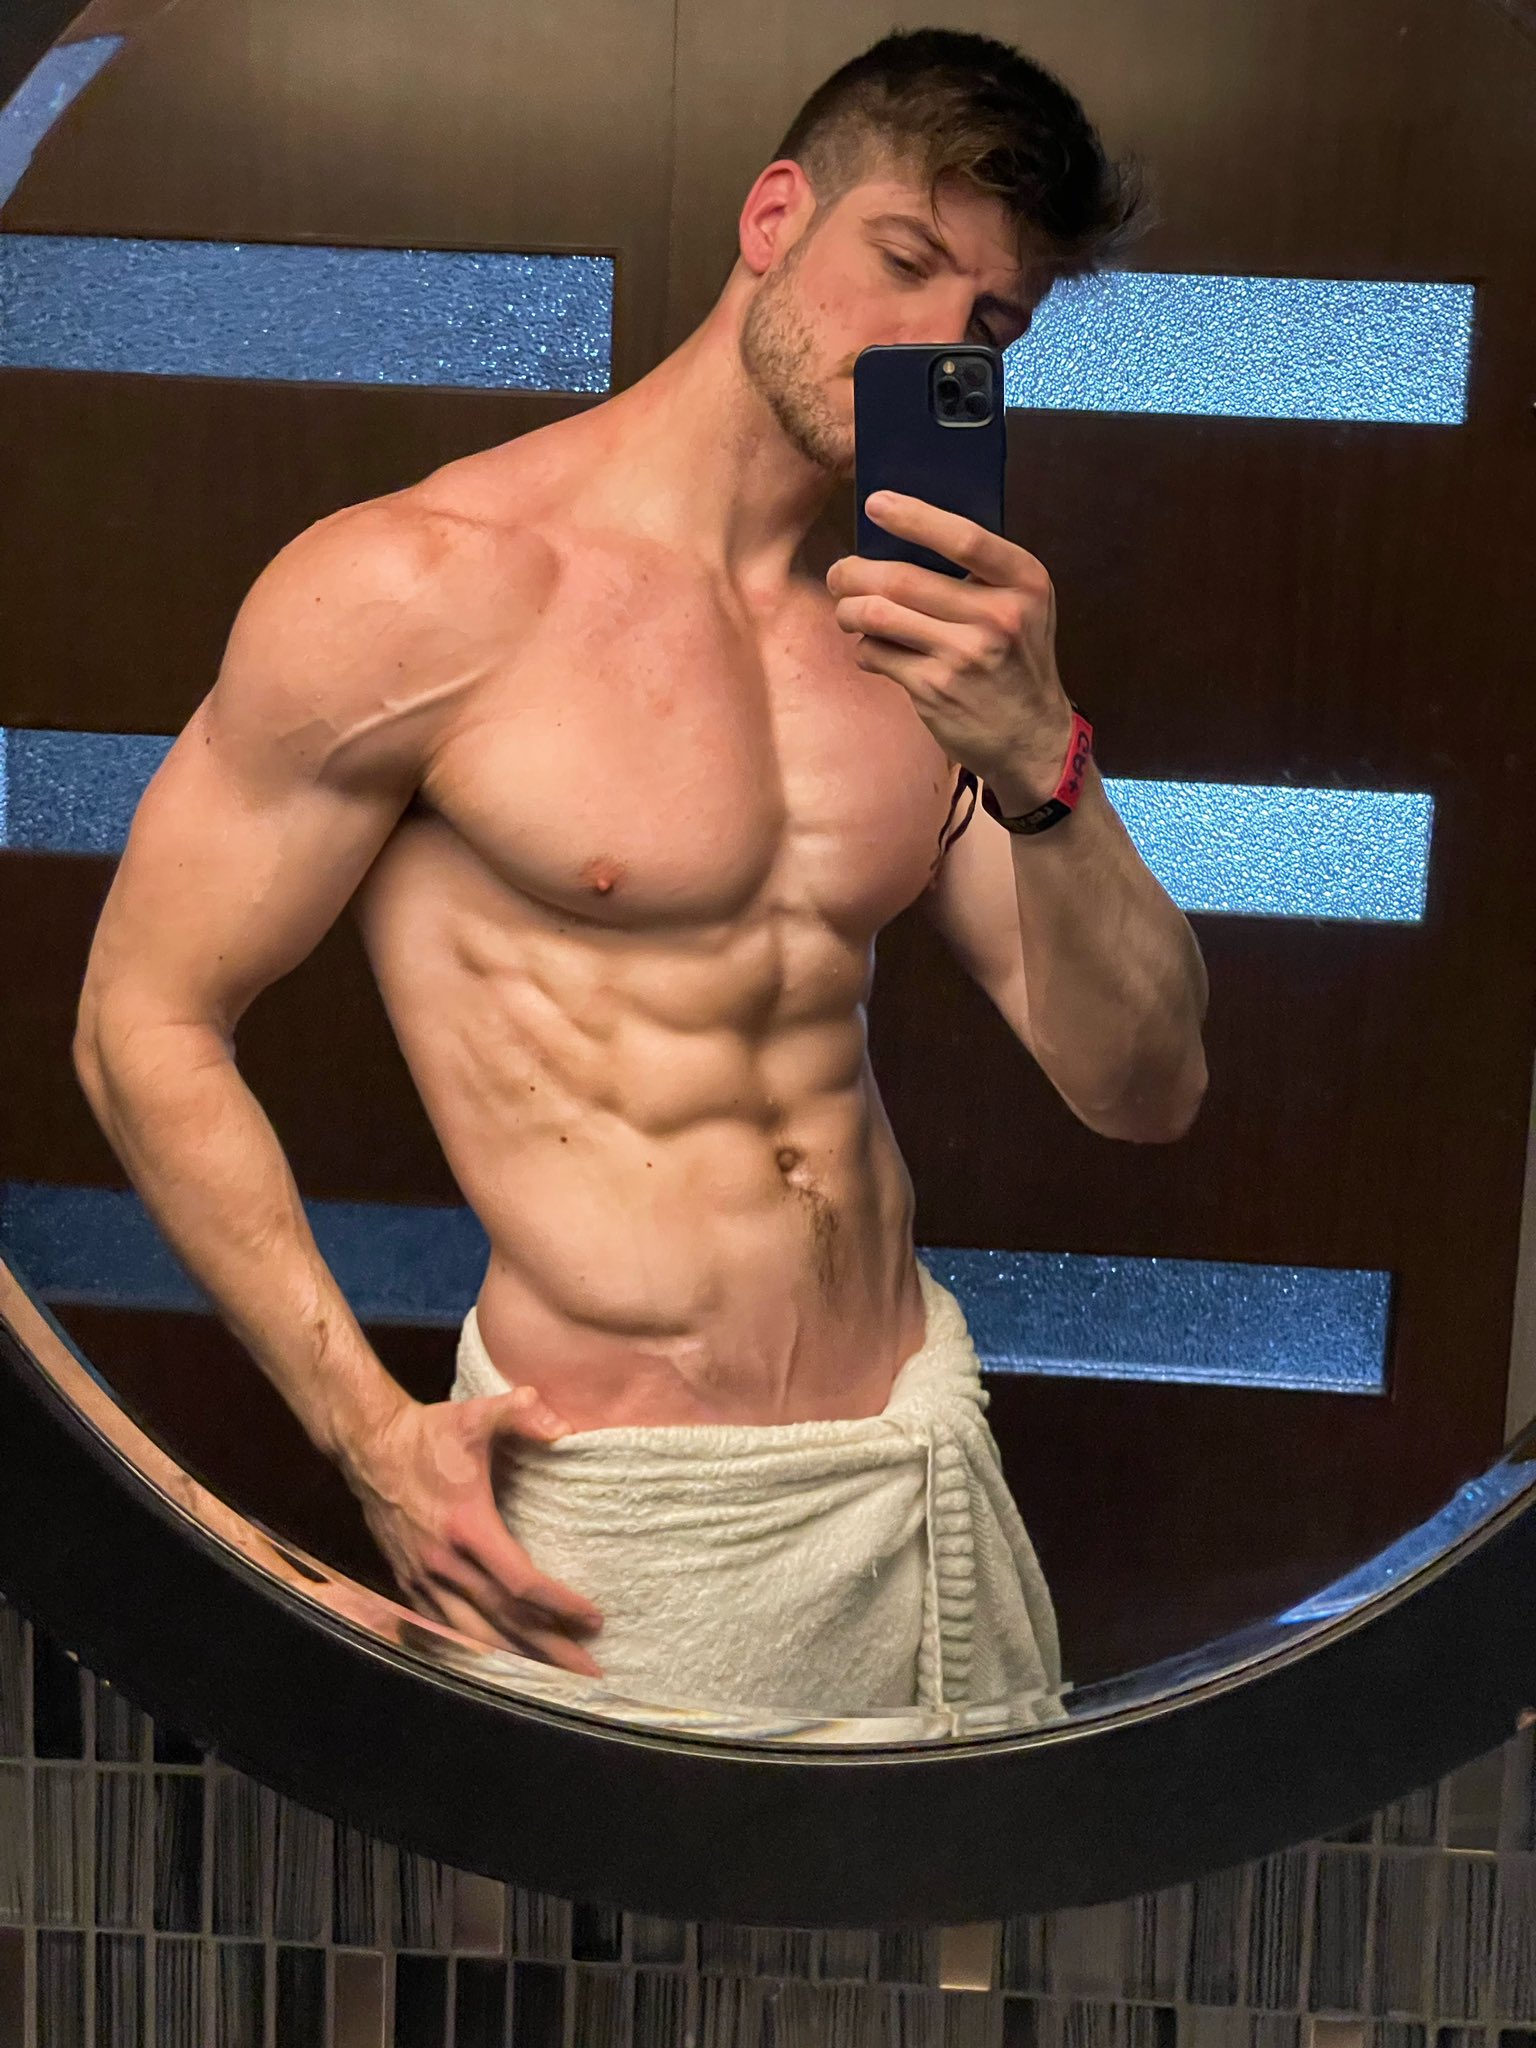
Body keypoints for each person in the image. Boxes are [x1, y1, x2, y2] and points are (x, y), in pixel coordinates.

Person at [72, 28, 1209, 1712]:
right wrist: (369, 1435)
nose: (934, 340)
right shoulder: (427, 588)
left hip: (909, 1468)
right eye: (904, 260)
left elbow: (1144, 1088)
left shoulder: (923, 647)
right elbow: (142, 1023)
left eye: (989, 324)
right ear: (774, 217)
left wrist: (1045, 761)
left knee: (948, 1894)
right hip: (625, 1510)